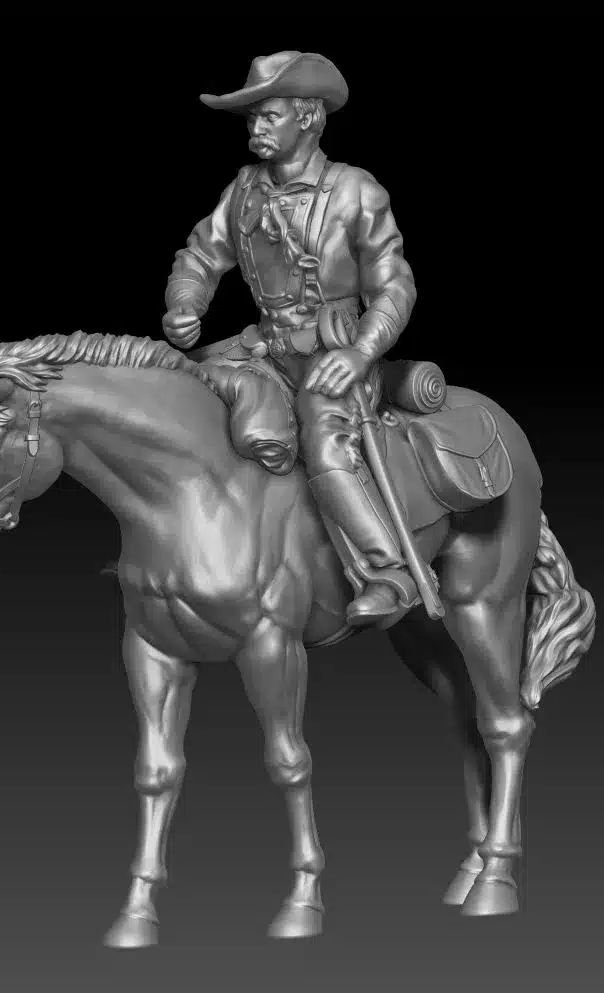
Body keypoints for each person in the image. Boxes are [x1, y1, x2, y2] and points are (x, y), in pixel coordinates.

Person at [161, 51, 419, 626]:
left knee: (324, 438)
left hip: (335, 354)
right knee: (181, 393)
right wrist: (185, 304)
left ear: (308, 117)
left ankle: (388, 571)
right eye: (251, 118)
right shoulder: (244, 189)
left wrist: (361, 353)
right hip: (265, 347)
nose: (255, 127)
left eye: (268, 115)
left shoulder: (356, 191)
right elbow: (201, 256)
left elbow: (393, 286)